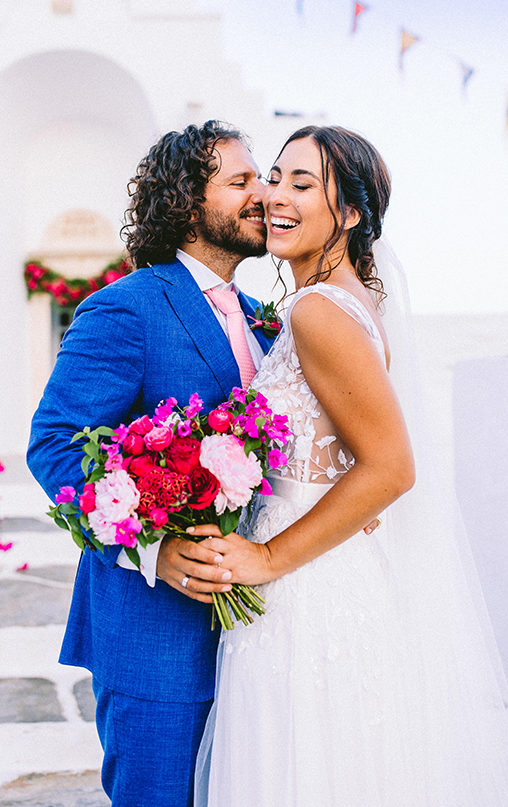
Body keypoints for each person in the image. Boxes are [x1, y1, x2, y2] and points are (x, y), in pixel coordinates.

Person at [193, 125, 508, 806]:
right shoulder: (348, 301)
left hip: (306, 592)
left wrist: (267, 557)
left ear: (352, 213)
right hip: (332, 571)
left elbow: (391, 468)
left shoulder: (318, 312)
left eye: (303, 184)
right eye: (276, 176)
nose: (276, 195)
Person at [26, 120, 274, 807]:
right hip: (155, 635)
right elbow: (55, 443)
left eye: (259, 177)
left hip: (259, 642)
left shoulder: (267, 319)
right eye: (241, 181)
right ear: (188, 205)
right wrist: (154, 549)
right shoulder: (124, 308)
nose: (263, 193)